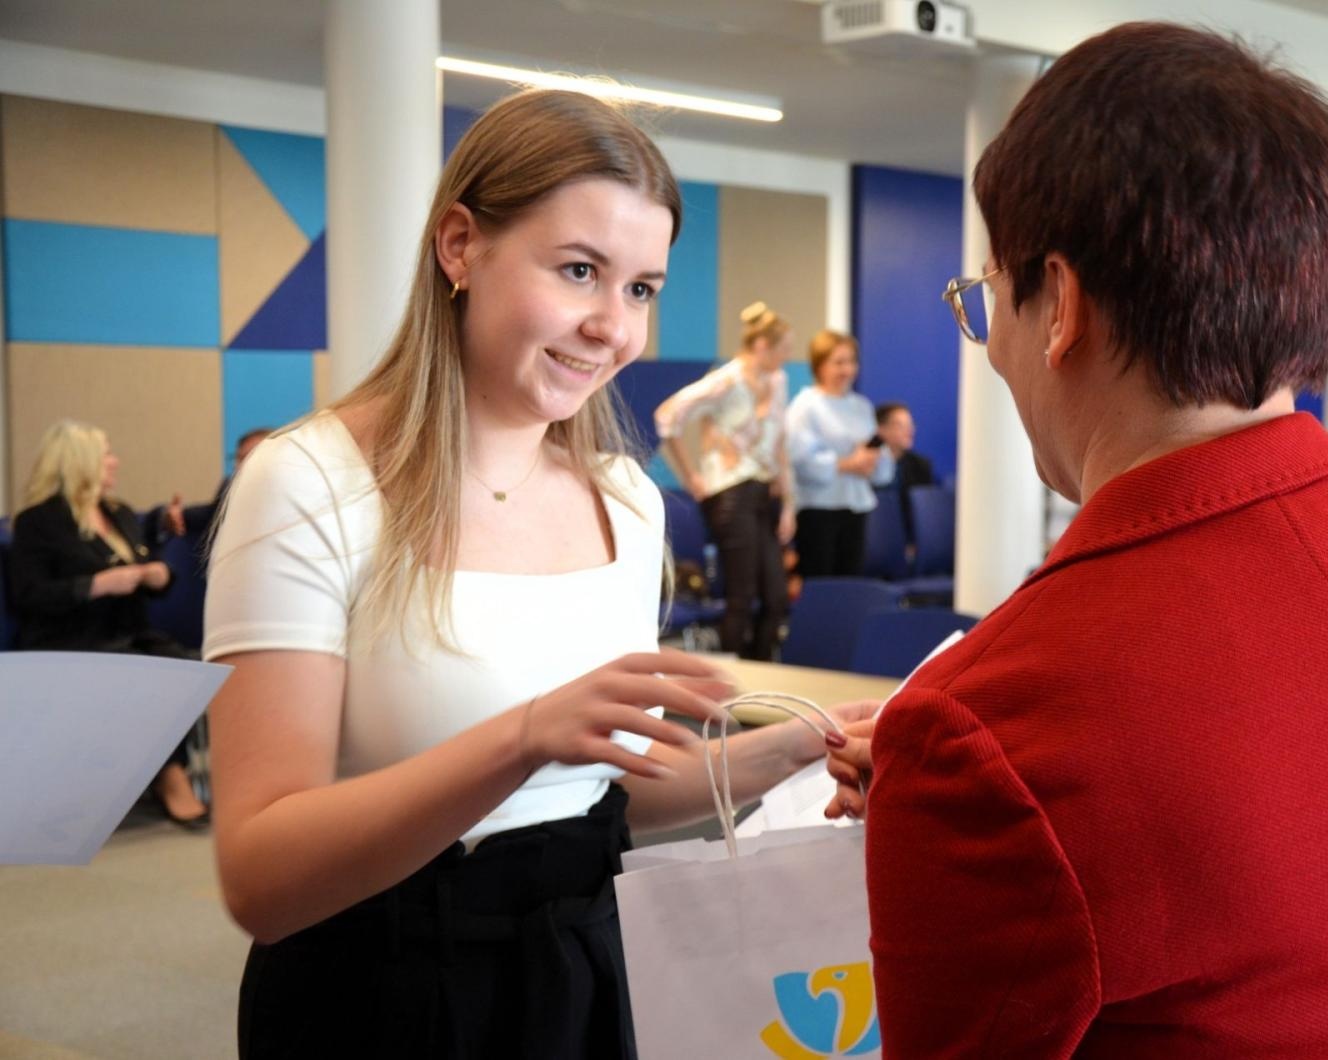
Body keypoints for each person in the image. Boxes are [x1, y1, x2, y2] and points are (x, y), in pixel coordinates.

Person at [824, 23, 1328, 1057]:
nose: (992, 346)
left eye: (985, 300)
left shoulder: (996, 716)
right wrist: (953, 805)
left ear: (1059, 307)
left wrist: (961, 784)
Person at [203, 91, 865, 1059]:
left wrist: (803, 747)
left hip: (580, 980)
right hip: (383, 992)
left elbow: (599, 796)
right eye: (579, 271)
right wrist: (517, 737)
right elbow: (260, 875)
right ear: (460, 246)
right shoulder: (307, 485)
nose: (613, 326)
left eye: (641, 287)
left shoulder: (625, 503)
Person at [8, 419, 209, 827]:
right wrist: (95, 585)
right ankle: (169, 775)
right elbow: (28, 596)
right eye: (107, 455)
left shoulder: (116, 514)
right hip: (69, 640)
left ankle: (161, 772)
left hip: (127, 634)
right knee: (144, 673)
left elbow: (142, 565)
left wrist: (158, 575)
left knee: (182, 667)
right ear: (80, 463)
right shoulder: (37, 522)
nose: (115, 463)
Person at [655, 302, 795, 659]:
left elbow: (780, 442)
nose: (788, 355)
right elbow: (668, 416)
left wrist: (790, 504)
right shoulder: (726, 380)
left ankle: (764, 678)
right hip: (731, 494)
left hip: (764, 492)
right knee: (742, 596)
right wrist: (692, 477)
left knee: (776, 597)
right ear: (762, 345)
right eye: (782, 348)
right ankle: (734, 688)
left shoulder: (777, 380)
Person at [785, 330, 894, 578]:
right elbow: (801, 461)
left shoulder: (861, 406)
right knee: (821, 584)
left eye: (851, 361)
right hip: (819, 511)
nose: (847, 370)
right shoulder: (805, 406)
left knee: (850, 581)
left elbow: (880, 457)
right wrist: (847, 464)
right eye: (839, 362)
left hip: (855, 507)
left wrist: (873, 461)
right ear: (820, 366)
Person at [874, 402, 936, 544]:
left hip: (908, 540)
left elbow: (924, 515)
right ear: (881, 429)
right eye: (900, 426)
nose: (909, 431)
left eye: (910, 425)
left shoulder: (920, 466)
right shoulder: (868, 464)